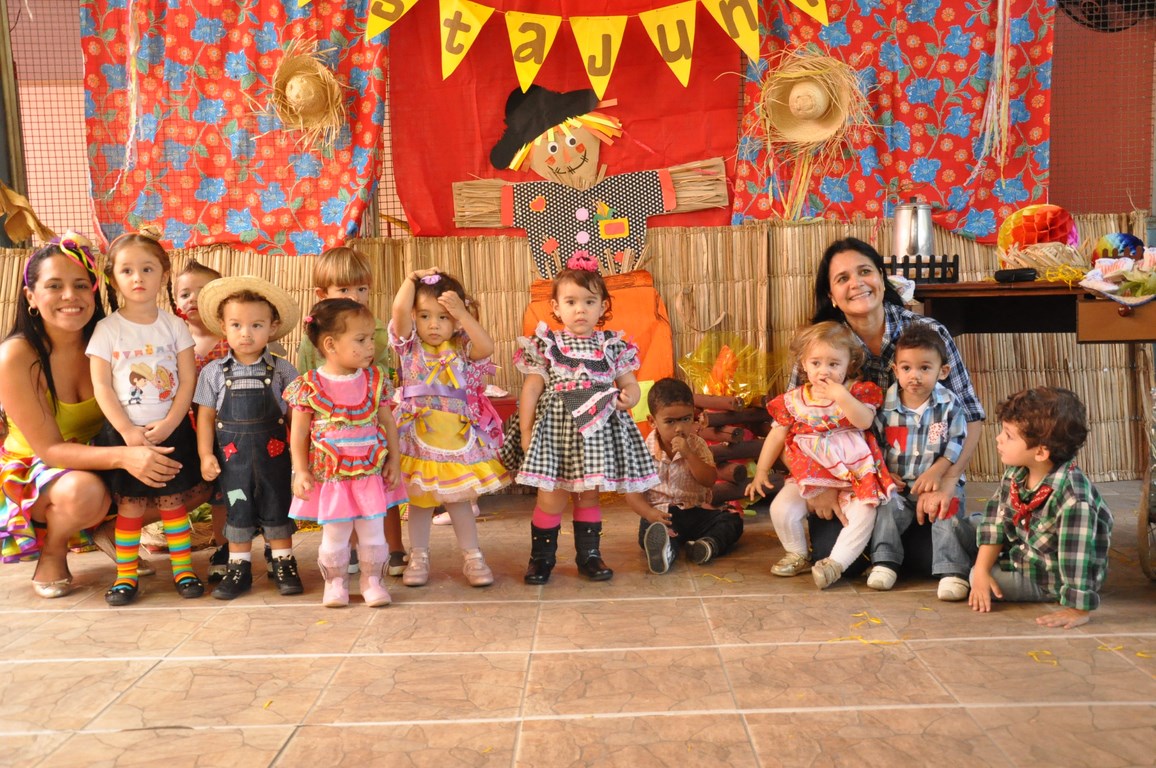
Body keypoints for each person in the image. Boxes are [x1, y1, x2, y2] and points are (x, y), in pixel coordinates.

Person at [788, 237, 985, 576]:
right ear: (831, 295)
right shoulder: (820, 348)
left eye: (865, 271)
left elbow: (971, 417)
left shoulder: (928, 333)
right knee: (841, 559)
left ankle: (973, 531)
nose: (857, 283)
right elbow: (792, 426)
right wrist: (816, 486)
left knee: (927, 560)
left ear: (881, 277)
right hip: (851, 487)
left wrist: (948, 479)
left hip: (922, 482)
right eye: (842, 278)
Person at [0, 234, 183, 598]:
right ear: (31, 297)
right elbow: (50, 450)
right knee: (85, 491)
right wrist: (127, 456)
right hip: (37, 470)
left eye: (81, 285)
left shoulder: (110, 339)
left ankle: (112, 533)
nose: (70, 296)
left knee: (192, 476)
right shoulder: (16, 356)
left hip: (103, 456)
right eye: (55, 286)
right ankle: (53, 551)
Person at [511, 254, 658, 585]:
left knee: (589, 495)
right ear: (556, 307)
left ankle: (589, 555)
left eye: (589, 302)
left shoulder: (612, 346)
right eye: (571, 302)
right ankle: (541, 558)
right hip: (555, 435)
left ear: (602, 306)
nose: (580, 309)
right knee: (551, 496)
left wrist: (630, 397)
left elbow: (630, 383)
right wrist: (526, 430)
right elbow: (531, 388)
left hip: (595, 435)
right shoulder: (547, 344)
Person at [87, 232, 211, 606]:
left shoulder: (174, 326)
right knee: (131, 507)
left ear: (164, 274)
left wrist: (172, 422)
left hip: (171, 431)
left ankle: (183, 571)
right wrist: (127, 431)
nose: (137, 277)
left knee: (173, 503)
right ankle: (125, 576)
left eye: (147, 269)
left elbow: (188, 380)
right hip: (125, 437)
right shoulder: (107, 330)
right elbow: (101, 386)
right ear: (113, 279)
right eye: (127, 270)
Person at [747, 321, 896, 589]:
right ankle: (797, 553)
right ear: (804, 364)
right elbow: (777, 435)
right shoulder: (794, 399)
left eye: (834, 364)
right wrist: (761, 471)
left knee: (865, 512)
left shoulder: (857, 391)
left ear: (849, 364)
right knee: (780, 508)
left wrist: (841, 395)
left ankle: (836, 563)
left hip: (852, 477)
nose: (824, 371)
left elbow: (864, 421)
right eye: (816, 363)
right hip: (808, 475)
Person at [390, 269, 507, 588]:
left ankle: (473, 556)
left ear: (455, 320)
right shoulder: (409, 346)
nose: (433, 324)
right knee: (419, 503)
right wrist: (411, 279)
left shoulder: (461, 345)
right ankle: (419, 556)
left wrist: (462, 314)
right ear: (414, 317)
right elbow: (398, 309)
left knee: (459, 501)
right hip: (417, 439)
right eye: (424, 316)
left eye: (443, 317)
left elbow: (487, 347)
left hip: (455, 437)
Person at [296, 246, 407, 577]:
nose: (355, 296)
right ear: (322, 294)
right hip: (332, 441)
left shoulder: (376, 329)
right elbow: (306, 387)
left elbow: (383, 369)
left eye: (362, 288)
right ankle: (350, 551)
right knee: (341, 499)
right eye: (344, 289)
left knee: (380, 489)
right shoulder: (312, 340)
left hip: (368, 423)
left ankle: (393, 547)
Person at [286, 299, 403, 607]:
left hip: (369, 476)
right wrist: (301, 470)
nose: (371, 346)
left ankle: (372, 581)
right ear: (330, 344)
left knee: (373, 531)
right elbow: (299, 434)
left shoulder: (375, 381)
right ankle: (335, 582)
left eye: (371, 338)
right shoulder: (309, 386)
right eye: (361, 339)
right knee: (336, 533)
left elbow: (388, 422)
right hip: (332, 479)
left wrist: (394, 460)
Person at [193, 276, 304, 600]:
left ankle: (284, 564)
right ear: (223, 328)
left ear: (272, 327)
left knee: (277, 508)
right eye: (237, 325)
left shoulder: (283, 370)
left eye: (256, 325)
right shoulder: (213, 372)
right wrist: (205, 455)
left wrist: (304, 458)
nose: (246, 333)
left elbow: (298, 417)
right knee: (237, 512)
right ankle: (238, 569)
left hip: (275, 462)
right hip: (233, 464)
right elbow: (205, 418)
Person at [969, 387, 1112, 629]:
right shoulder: (1016, 472)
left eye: (1008, 435)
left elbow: (1076, 557)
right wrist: (983, 569)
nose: (998, 439)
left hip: (1047, 578)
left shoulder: (1074, 499)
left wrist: (1077, 609)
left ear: (1040, 452)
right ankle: (974, 567)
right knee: (966, 526)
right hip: (1023, 547)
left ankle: (966, 570)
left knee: (974, 575)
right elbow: (995, 520)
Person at [868, 322, 975, 600]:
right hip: (900, 485)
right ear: (896, 370)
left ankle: (953, 571)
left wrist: (938, 472)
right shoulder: (884, 407)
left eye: (925, 368)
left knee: (948, 510)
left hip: (939, 482)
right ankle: (885, 561)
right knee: (886, 507)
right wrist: (884, 474)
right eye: (906, 368)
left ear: (943, 371)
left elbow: (957, 440)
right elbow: (874, 445)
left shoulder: (949, 404)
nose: (914, 376)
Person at [624, 378, 743, 574]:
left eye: (686, 419)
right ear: (652, 421)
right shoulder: (641, 451)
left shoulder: (697, 445)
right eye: (670, 421)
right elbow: (633, 494)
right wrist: (650, 514)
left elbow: (709, 480)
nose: (679, 428)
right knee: (650, 529)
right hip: (662, 515)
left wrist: (689, 454)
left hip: (695, 511)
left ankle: (706, 545)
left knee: (732, 520)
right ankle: (665, 551)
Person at [174, 259, 231, 577]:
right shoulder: (173, 341)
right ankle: (215, 546)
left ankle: (246, 544)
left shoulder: (233, 339)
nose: (192, 298)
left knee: (232, 491)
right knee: (207, 493)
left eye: (203, 291)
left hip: (231, 431)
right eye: (184, 294)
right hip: (189, 433)